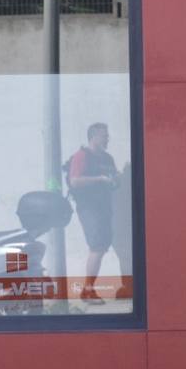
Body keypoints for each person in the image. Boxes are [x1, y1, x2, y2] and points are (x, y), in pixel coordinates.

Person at [66, 122, 119, 304]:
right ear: (93, 137)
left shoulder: (108, 158)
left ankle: (89, 289)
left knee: (101, 247)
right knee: (97, 247)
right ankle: (88, 291)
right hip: (89, 208)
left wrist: (114, 181)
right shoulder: (82, 156)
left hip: (104, 208)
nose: (107, 138)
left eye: (107, 135)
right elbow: (74, 181)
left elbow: (114, 179)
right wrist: (100, 179)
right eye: (104, 136)